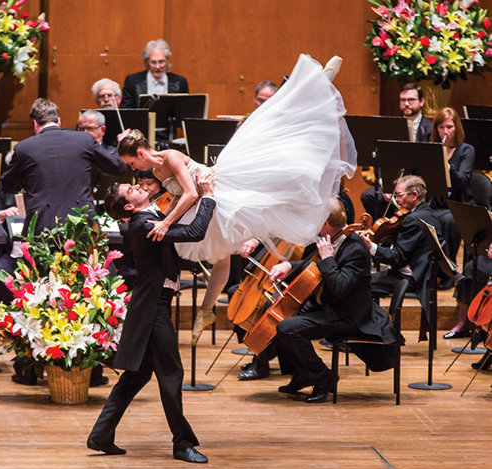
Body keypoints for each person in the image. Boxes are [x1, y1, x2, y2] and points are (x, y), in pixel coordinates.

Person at [116, 53, 355, 345]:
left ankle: (320, 81)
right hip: (211, 203)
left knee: (275, 138)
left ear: (140, 153)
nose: (133, 169)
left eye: (131, 162)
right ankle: (206, 311)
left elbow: (191, 192)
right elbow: (183, 195)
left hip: (224, 186)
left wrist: (166, 222)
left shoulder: (171, 156)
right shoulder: (154, 168)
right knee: (221, 258)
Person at [0, 98, 126, 383]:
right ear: (60, 120)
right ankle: (93, 369)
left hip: (43, 230)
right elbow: (118, 167)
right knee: (89, 291)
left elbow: (8, 185)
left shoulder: (25, 147)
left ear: (35, 125)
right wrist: (121, 145)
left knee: (40, 295)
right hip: (83, 227)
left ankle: (29, 370)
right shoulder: (84, 141)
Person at [87, 173, 216, 463]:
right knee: (171, 373)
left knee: (137, 375)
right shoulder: (145, 223)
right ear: (129, 206)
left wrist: (191, 264)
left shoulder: (152, 216)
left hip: (154, 303)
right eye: (130, 189)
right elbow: (193, 232)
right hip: (153, 308)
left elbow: (163, 255)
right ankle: (182, 444)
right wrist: (208, 197)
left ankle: (101, 435)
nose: (136, 186)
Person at [271, 198, 396, 403]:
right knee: (276, 308)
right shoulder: (332, 237)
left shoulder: (355, 248)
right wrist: (289, 266)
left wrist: (328, 258)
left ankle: (323, 378)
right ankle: (303, 373)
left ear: (326, 223)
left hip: (347, 314)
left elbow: (340, 287)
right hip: (328, 305)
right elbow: (311, 264)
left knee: (288, 327)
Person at [360, 175, 444, 341]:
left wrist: (371, 247)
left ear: (414, 195)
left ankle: (378, 332)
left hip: (412, 277)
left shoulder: (413, 219)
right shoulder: (427, 213)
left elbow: (397, 258)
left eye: (399, 195)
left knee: (359, 285)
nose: (395, 199)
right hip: (420, 271)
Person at [361, 83, 432, 220]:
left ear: (421, 102)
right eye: (403, 100)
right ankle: (387, 233)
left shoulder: (430, 128)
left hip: (419, 181)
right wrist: (385, 182)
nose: (406, 104)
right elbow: (384, 156)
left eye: (411, 100)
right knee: (369, 196)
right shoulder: (392, 127)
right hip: (395, 180)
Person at [429, 107, 475, 271]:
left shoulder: (466, 150)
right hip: (437, 202)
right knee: (419, 216)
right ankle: (426, 270)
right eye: (441, 127)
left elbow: (462, 180)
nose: (445, 132)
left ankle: (448, 271)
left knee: (447, 221)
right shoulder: (431, 148)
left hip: (459, 204)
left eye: (449, 127)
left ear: (457, 128)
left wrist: (447, 165)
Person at [120, 39, 189, 109]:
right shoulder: (132, 81)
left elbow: (184, 110)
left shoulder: (180, 82)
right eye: (153, 62)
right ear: (147, 62)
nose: (157, 67)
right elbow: (126, 111)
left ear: (167, 61)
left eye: (161, 62)